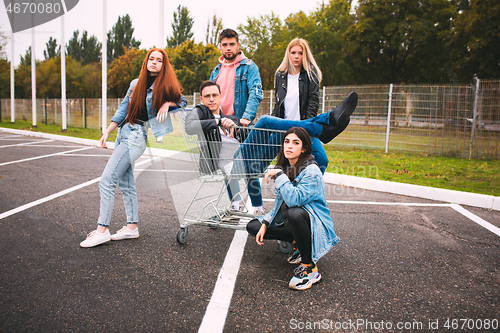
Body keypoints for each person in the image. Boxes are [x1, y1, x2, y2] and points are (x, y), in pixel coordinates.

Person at [80, 48, 187, 248]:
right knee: (126, 184)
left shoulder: (164, 86)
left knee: (106, 181)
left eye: (159, 60)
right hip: (123, 133)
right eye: (151, 59)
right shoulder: (135, 84)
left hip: (137, 136)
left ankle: (102, 230)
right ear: (146, 61)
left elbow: (183, 101)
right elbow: (123, 108)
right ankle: (132, 228)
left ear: (164, 65)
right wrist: (107, 131)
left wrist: (168, 104)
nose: (154, 62)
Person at [246, 127, 339, 290]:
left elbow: (294, 200)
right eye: (286, 142)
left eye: (295, 143)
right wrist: (266, 223)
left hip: (314, 223)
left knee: (293, 211)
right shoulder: (286, 167)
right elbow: (279, 204)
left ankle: (309, 268)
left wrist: (280, 176)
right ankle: (297, 242)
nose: (289, 146)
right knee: (253, 226)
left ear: (303, 148)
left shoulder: (312, 171)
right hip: (294, 219)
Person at [231, 91, 358, 177]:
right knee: (264, 120)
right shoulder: (215, 121)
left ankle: (306, 192)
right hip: (240, 161)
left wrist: (234, 122)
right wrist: (221, 121)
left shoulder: (309, 76)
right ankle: (325, 123)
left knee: (322, 159)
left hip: (291, 128)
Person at [209, 28, 265, 214]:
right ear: (220, 46)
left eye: (232, 44)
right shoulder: (216, 71)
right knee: (227, 167)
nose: (228, 48)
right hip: (222, 125)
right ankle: (235, 205)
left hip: (241, 125)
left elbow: (256, 93)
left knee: (248, 166)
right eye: (225, 45)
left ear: (238, 45)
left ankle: (257, 207)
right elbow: (210, 97)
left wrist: (246, 118)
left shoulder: (249, 66)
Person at [184, 80, 262, 211]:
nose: (211, 99)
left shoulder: (230, 118)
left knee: (259, 130)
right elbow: (190, 126)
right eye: (207, 96)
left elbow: (241, 134)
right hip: (219, 159)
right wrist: (218, 121)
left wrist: (236, 127)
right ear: (201, 99)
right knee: (249, 167)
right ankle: (258, 208)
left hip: (238, 155)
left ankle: (236, 206)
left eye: (215, 95)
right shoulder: (201, 111)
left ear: (221, 96)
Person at [272, 38, 329, 174]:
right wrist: (272, 122)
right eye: (293, 52)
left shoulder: (311, 74)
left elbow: (313, 103)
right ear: (288, 54)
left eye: (300, 53)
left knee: (321, 159)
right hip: (283, 127)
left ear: (305, 55)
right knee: (261, 157)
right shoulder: (280, 75)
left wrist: (305, 129)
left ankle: (308, 185)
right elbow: (278, 103)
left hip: (303, 127)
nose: (296, 56)